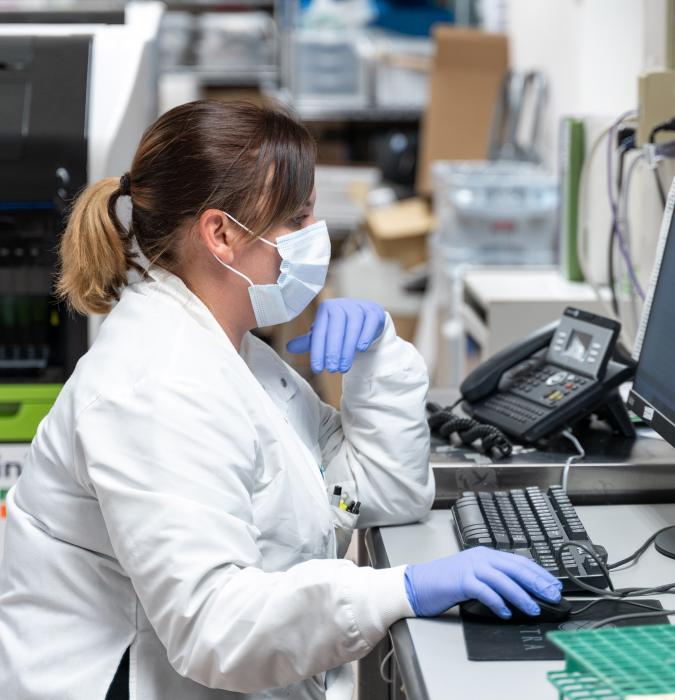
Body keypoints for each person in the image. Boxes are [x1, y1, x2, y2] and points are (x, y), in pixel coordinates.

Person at [0, 101, 562, 700]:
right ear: (220, 235)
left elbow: (376, 491)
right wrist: (400, 590)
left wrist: (378, 363)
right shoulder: (156, 388)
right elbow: (213, 626)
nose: (313, 238)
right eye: (296, 220)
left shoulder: (236, 351)